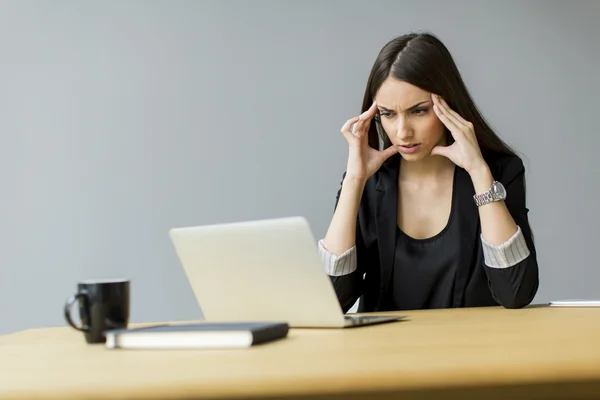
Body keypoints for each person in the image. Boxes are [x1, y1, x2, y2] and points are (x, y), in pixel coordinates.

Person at [318, 32, 539, 313]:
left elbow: (515, 292)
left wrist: (479, 173)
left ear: (448, 105)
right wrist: (353, 181)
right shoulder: (370, 184)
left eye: (419, 111)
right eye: (387, 114)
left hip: (472, 353)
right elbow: (332, 300)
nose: (402, 132)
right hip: (383, 353)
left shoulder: (497, 172)